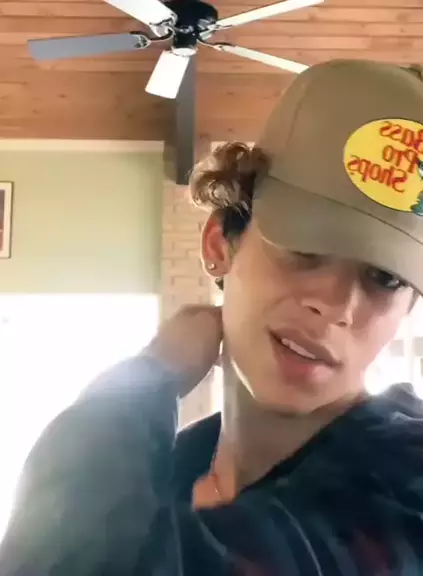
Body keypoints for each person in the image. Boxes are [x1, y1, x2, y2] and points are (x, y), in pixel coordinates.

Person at [2, 58, 423, 575]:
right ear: (220, 244)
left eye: (384, 278)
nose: (336, 306)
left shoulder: (408, 483)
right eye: (306, 248)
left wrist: (153, 372)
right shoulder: (161, 472)